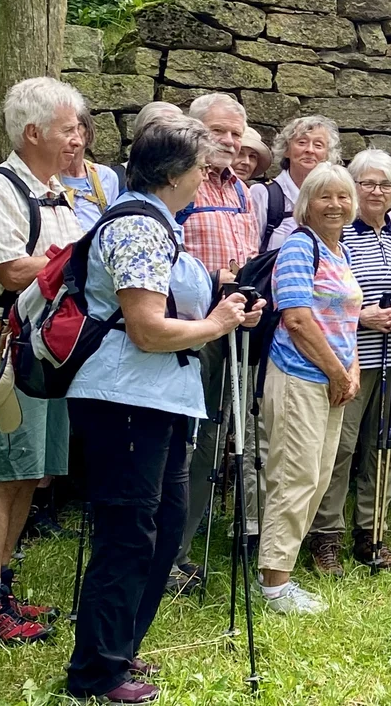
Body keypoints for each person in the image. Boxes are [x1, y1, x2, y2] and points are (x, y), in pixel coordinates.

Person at [64, 116, 265, 704]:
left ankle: (117, 651)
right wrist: (216, 324)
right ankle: (96, 673)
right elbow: (147, 330)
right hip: (125, 400)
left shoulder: (160, 226)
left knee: (162, 527)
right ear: (176, 172)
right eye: (202, 168)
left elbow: (167, 314)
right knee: (128, 536)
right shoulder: (136, 229)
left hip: (159, 402)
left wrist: (224, 309)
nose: (207, 177)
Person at [0, 77, 87, 643]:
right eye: (68, 128)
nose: (78, 138)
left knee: (30, 473)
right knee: (2, 470)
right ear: (32, 132)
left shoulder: (59, 190)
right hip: (7, 346)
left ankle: (3, 587)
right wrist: (74, 264)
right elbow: (11, 271)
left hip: (47, 347)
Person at [302, 149, 391, 575]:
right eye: (368, 183)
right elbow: (326, 297)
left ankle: (372, 534)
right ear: (354, 188)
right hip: (351, 355)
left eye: (386, 185)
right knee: (341, 445)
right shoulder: (339, 235)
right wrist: (364, 315)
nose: (377, 191)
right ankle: (325, 537)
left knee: (386, 445)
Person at [259, 163, 365, 614]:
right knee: (294, 475)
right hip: (300, 375)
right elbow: (297, 319)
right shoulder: (299, 246)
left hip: (332, 379)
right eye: (325, 197)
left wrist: (352, 369)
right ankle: (274, 584)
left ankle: (280, 570)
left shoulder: (339, 250)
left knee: (318, 476)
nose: (335, 205)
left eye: (343, 196)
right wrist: (337, 372)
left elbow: (347, 321)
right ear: (306, 203)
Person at [167, 93, 260, 595]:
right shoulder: (179, 183)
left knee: (213, 442)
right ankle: (166, 553)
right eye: (219, 131)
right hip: (184, 331)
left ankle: (181, 549)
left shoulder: (242, 190)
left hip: (230, 326)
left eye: (235, 133)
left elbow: (245, 255)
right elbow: (163, 257)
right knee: (183, 441)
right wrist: (214, 276)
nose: (229, 141)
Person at [250, 115, 341, 253]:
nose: (310, 150)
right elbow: (249, 251)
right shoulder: (263, 194)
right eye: (302, 142)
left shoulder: (336, 200)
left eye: (318, 145)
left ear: (327, 155)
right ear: (286, 150)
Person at [60, 114, 124, 229]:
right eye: (63, 129)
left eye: (73, 128)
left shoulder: (106, 176)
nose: (68, 136)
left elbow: (114, 224)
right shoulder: (46, 178)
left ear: (88, 134)